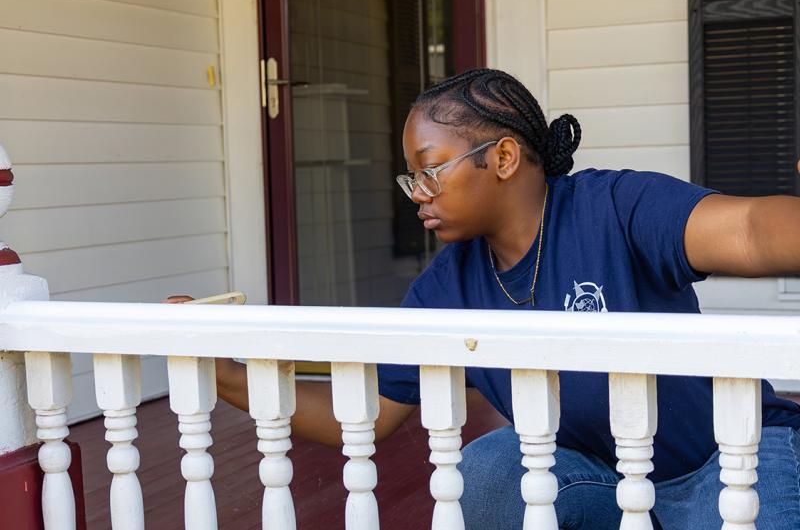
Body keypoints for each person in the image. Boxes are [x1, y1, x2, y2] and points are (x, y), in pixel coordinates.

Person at [169, 68, 800, 529]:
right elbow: (359, 418)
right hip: (604, 480)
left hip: (729, 460)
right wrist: (222, 374)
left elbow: (747, 229)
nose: (416, 191)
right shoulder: (445, 288)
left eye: (429, 168)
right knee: (489, 469)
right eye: (410, 176)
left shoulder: (614, 208)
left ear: (501, 157)